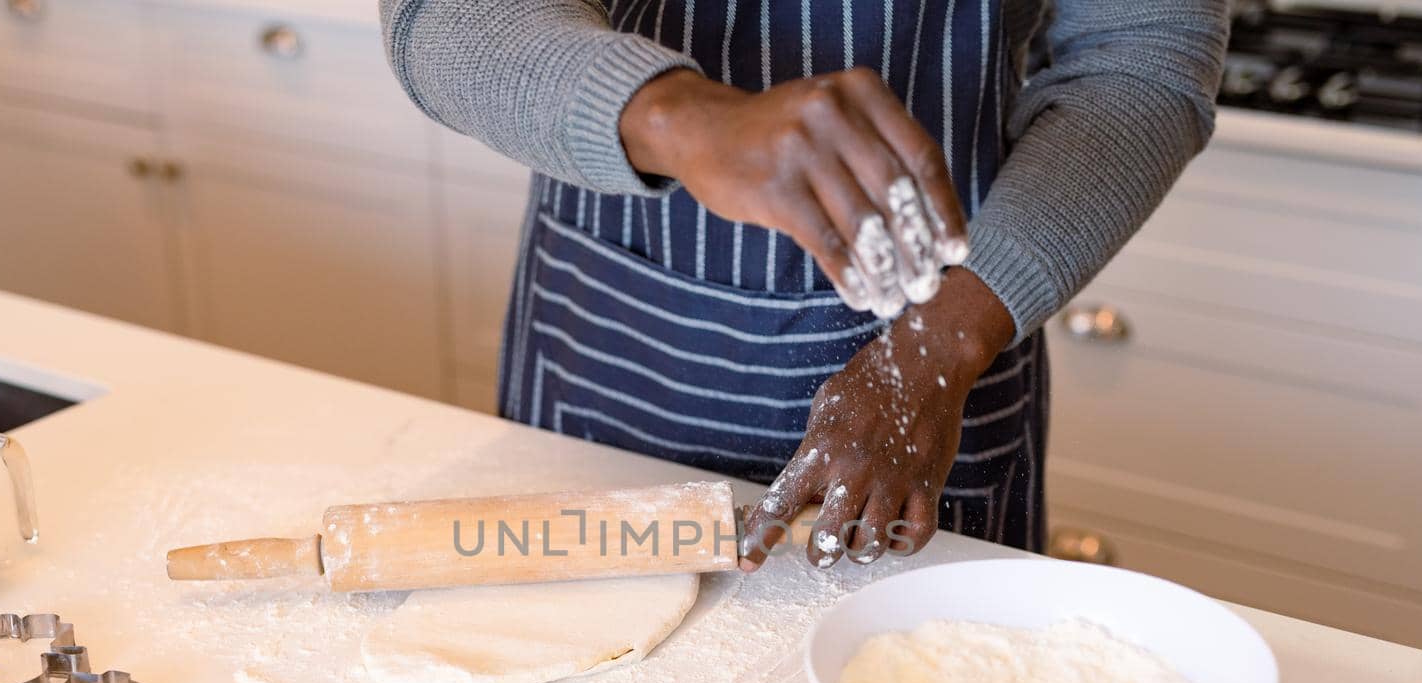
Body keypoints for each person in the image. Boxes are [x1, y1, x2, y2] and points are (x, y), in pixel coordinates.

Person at [380, 1, 1227, 568]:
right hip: (603, 347)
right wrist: (678, 118)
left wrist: (944, 340)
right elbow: (439, 15)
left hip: (941, 342)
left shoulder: (943, 343)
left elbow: (1141, 55)